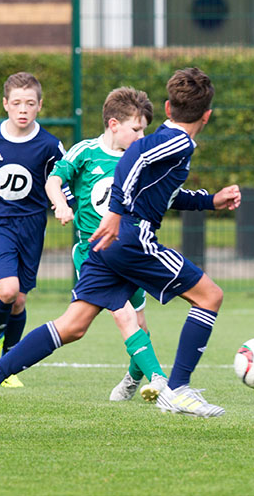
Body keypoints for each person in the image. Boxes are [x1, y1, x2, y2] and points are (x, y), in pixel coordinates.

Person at [0, 67, 242, 435]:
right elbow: (132, 160)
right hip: (131, 238)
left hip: (110, 243)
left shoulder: (168, 142)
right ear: (206, 115)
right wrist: (115, 213)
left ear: (168, 107)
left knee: (73, 326)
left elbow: (161, 193)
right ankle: (178, 389)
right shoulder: (178, 141)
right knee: (210, 296)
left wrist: (210, 201)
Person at [45, 86, 169, 402]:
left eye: (145, 129)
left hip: (129, 251)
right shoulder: (85, 152)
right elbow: (53, 180)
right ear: (114, 124)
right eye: (136, 129)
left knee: (138, 322)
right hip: (92, 253)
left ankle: (133, 378)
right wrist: (60, 203)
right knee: (122, 314)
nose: (142, 136)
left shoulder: (142, 159)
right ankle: (163, 383)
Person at [0, 72, 66, 389]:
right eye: (16, 103)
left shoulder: (50, 145)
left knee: (20, 300)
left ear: (40, 105)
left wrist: (64, 204)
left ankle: (6, 365)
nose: (22, 109)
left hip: (33, 226)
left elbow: (64, 178)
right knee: (7, 290)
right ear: (5, 105)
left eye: (29, 103)